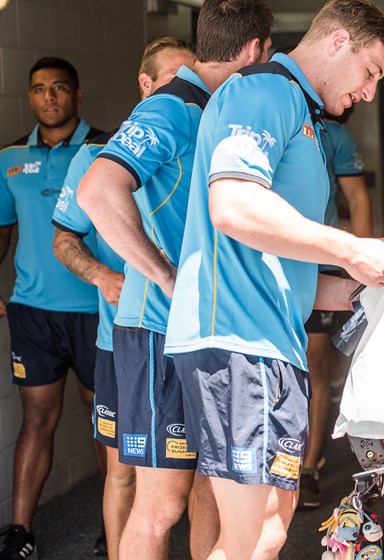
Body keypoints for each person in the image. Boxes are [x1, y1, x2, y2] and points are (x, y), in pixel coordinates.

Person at [162, 0, 384, 557]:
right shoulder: (265, 90)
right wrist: (350, 248)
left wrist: (370, 286)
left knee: (266, 531)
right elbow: (233, 205)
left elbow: (282, 267)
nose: (370, 93)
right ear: (337, 41)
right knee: (254, 540)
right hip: (240, 343)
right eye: (370, 71)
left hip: (267, 343)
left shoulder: (299, 110)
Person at [77, 3, 274, 559]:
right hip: (159, 329)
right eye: (267, 55)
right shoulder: (170, 105)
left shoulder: (215, 109)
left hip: (210, 329)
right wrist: (164, 275)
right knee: (161, 506)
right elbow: (97, 191)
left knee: (213, 492)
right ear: (254, 50)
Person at [51, 37, 195, 560]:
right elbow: (64, 239)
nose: (188, 91)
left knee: (196, 481)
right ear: (146, 84)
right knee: (125, 474)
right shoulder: (96, 155)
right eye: (176, 80)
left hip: (193, 334)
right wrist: (103, 276)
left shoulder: (204, 142)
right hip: (124, 339)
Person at [0, 57, 103, 560]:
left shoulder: (104, 148)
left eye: (59, 87)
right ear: (30, 97)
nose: (49, 97)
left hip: (96, 309)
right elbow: (2, 231)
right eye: (39, 89)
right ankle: (20, 532)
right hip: (33, 312)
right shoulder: (9, 158)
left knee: (105, 421)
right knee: (37, 420)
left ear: (77, 94)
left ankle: (114, 526)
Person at [300, 112, 373, 509]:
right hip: (269, 260)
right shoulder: (270, 116)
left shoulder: (336, 135)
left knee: (313, 362)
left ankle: (309, 467)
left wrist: (361, 264)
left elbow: (358, 198)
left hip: (321, 263)